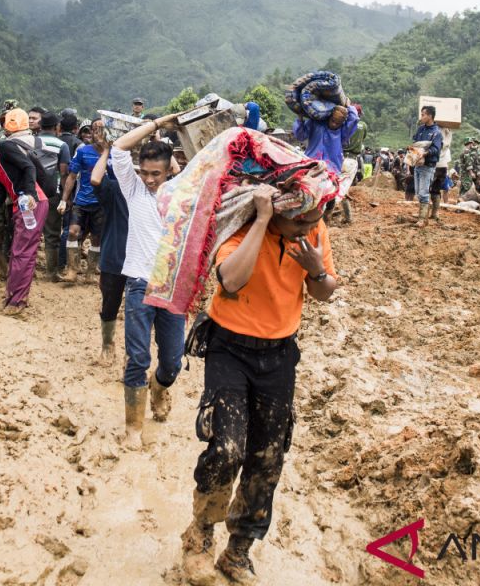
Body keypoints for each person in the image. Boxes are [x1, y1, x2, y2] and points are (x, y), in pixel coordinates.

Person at [180, 185, 339, 585]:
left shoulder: (313, 232)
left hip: (279, 354)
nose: (308, 227)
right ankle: (201, 531)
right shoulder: (243, 226)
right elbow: (230, 281)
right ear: (276, 212)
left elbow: (323, 293)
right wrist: (264, 219)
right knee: (227, 447)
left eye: (314, 220)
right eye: (299, 221)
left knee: (268, 456)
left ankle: (238, 550)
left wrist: (316, 267)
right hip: (230, 348)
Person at [110, 113, 185, 449]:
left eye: (156, 173)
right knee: (138, 357)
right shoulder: (134, 190)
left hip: (172, 288)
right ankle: (133, 429)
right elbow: (119, 147)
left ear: (170, 169)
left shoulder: (181, 193)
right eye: (145, 172)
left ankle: (159, 386)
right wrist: (158, 124)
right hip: (140, 283)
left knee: (172, 361)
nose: (150, 179)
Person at [0, 112, 53, 315]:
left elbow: (28, 166)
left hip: (33, 203)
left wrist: (30, 193)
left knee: (24, 252)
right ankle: (12, 296)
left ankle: (17, 302)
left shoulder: (4, 147)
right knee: (17, 251)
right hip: (19, 205)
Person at [90, 136, 130, 366]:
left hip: (142, 260)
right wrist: (106, 151)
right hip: (115, 257)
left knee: (138, 310)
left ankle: (131, 354)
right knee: (109, 303)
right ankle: (107, 345)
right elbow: (96, 179)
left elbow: (174, 172)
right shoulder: (115, 190)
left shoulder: (153, 192)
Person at [58, 120, 106, 283]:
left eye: (100, 130)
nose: (97, 134)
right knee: (72, 232)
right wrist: (64, 200)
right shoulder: (83, 151)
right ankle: (72, 269)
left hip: (101, 204)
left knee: (96, 238)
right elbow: (71, 176)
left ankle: (91, 273)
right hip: (82, 201)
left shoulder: (113, 154)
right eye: (94, 130)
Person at [37, 113, 72, 280]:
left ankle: (23, 269)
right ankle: (51, 272)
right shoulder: (62, 145)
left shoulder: (30, 141)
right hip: (52, 194)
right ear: (57, 127)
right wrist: (66, 198)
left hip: (30, 193)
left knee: (27, 232)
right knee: (52, 234)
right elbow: (64, 173)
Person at [411, 106, 443, 227]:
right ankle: (423, 214)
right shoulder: (420, 130)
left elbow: (436, 149)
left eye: (424, 114)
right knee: (418, 192)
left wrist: (425, 153)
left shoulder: (436, 133)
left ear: (430, 116)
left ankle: (422, 219)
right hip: (417, 163)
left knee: (424, 192)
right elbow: (415, 141)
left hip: (427, 165)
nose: (422, 116)